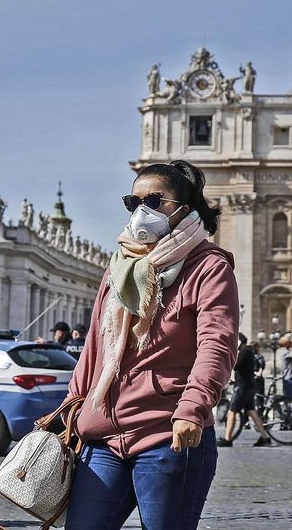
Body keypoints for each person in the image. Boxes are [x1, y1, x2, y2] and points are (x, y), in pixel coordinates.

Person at [64, 159, 239, 530]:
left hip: (169, 435)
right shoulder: (119, 267)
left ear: (184, 209)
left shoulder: (208, 267)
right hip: (103, 437)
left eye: (155, 200)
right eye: (134, 202)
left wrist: (192, 408)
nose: (143, 210)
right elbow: (95, 348)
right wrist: (72, 408)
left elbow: (217, 344)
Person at [218, 334, 271, 448]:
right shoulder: (249, 351)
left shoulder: (244, 351)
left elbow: (236, 366)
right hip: (248, 386)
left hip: (242, 387)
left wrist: (230, 355)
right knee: (251, 411)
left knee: (232, 411)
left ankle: (227, 439)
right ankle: (265, 437)